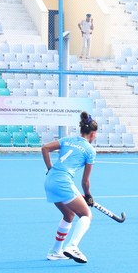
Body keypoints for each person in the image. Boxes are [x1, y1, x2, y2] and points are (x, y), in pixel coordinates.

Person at [41, 112, 98, 263]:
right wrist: (88, 195)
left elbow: (45, 148)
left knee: (69, 215)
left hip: (50, 180)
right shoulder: (90, 151)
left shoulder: (68, 140)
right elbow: (85, 182)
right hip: (63, 182)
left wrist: (50, 168)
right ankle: (72, 246)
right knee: (86, 214)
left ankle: (55, 251)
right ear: (92, 134)